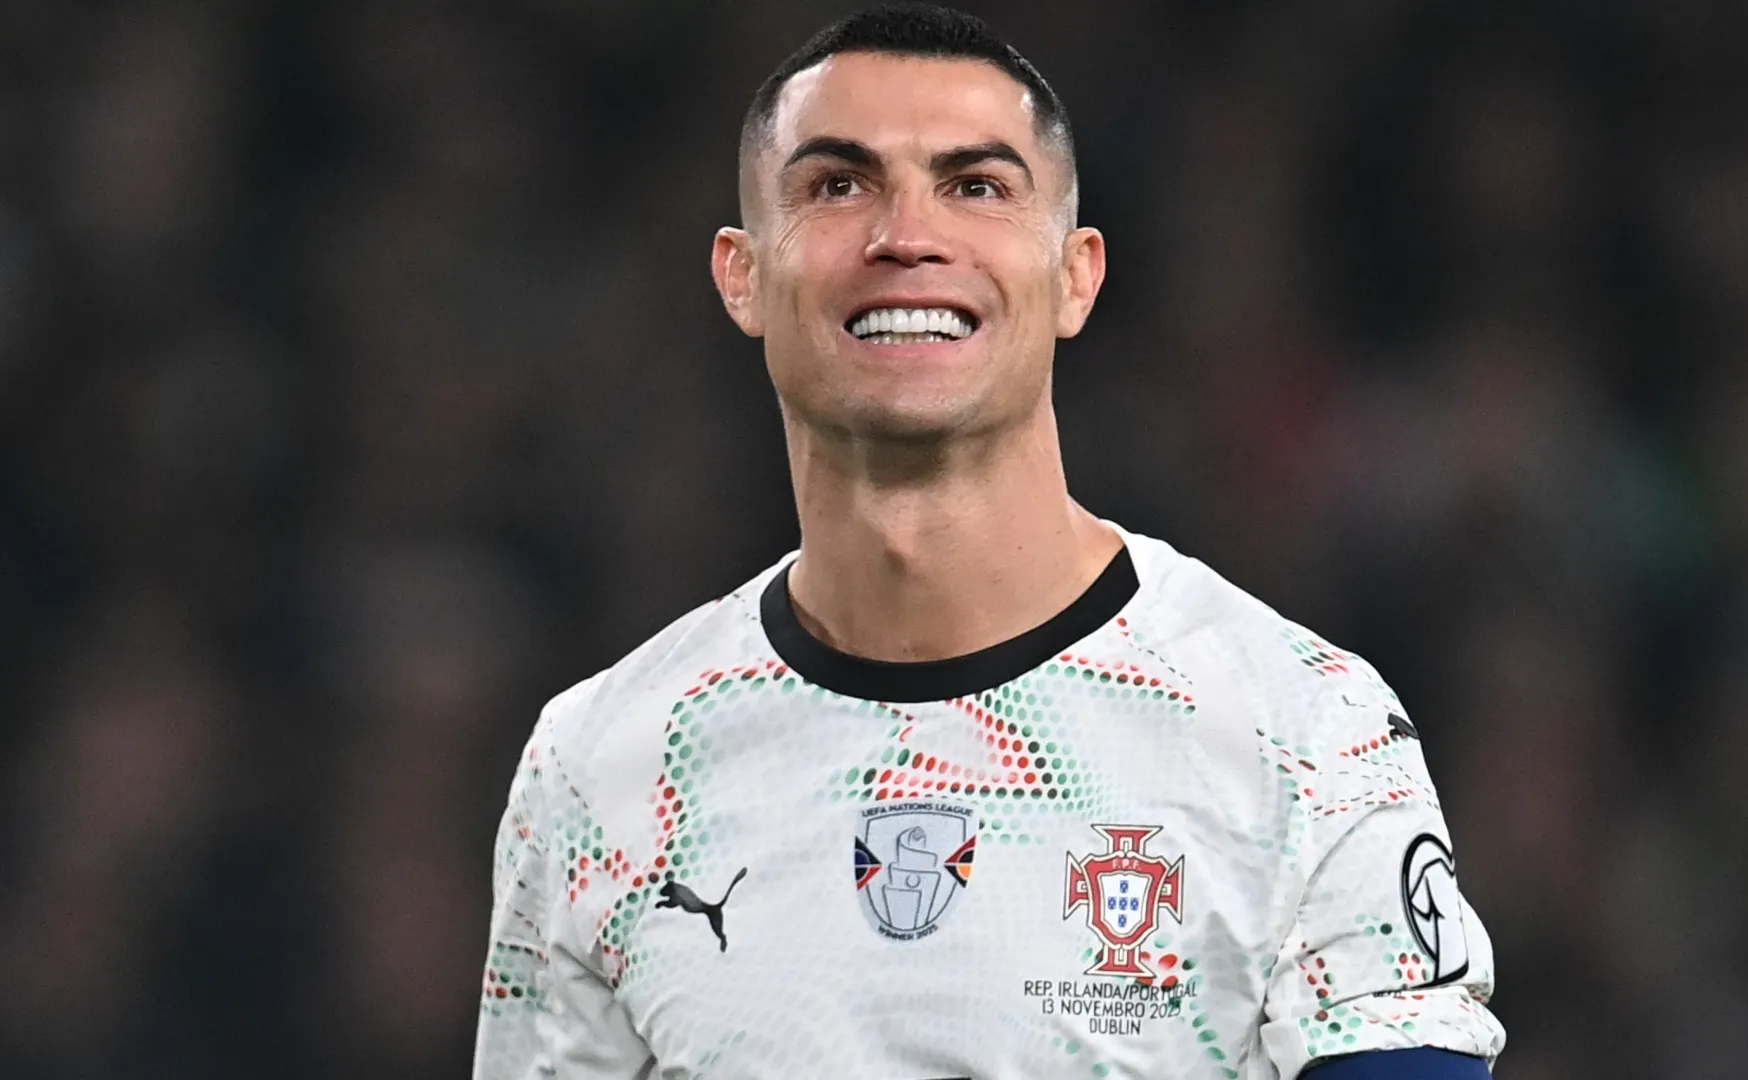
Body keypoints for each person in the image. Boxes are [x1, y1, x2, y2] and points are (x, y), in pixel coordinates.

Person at [474, 5, 1505, 1078]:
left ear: (1076, 277)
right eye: (838, 185)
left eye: (975, 187)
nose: (906, 236)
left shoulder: (1303, 732)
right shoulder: (598, 770)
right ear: (741, 275)